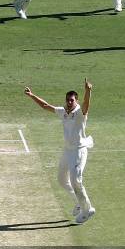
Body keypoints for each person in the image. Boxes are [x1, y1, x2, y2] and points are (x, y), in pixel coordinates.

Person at [25, 79, 95, 223]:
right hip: (67, 151)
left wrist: (88, 91)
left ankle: (87, 210)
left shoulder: (80, 113)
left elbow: (86, 106)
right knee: (62, 180)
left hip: (79, 151)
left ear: (76, 101)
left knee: (76, 180)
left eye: (72, 100)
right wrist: (32, 95)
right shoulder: (63, 111)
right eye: (68, 100)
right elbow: (45, 106)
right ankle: (78, 201)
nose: (69, 102)